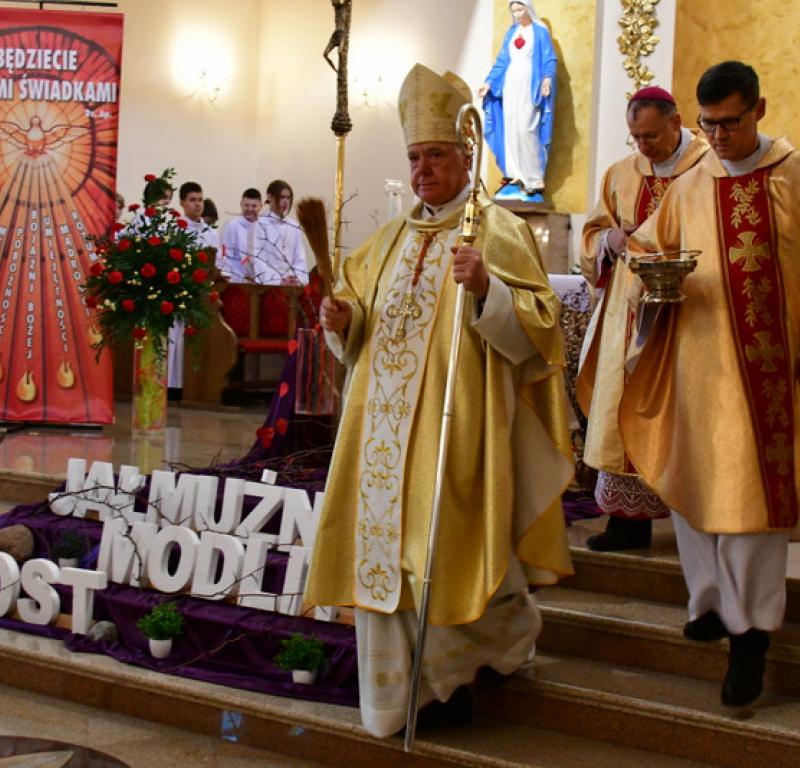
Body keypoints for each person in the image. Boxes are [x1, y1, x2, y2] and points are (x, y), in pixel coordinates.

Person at [305, 63, 573, 738]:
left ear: (464, 160)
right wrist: (342, 325)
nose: (423, 170)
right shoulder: (386, 243)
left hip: (459, 435)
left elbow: (543, 330)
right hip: (379, 440)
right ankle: (397, 696)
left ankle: (468, 668)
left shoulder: (499, 232)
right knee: (386, 556)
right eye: (414, 157)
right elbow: (360, 327)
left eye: (436, 156)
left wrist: (489, 289)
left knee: (448, 548)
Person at [621, 61, 800, 707]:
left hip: (770, 376)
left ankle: (751, 639)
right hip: (695, 366)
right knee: (689, 487)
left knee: (751, 510)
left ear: (760, 110)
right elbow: (649, 251)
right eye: (707, 125)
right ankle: (708, 601)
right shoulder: (691, 184)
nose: (717, 138)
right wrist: (650, 283)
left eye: (730, 123)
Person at [576, 86, 709, 552]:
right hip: (629, 311)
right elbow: (592, 234)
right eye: (635, 137)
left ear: (676, 124)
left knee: (686, 410)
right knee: (622, 403)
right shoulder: (620, 174)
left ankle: (701, 522)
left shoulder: (708, 170)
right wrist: (611, 238)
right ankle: (626, 524)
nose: (643, 147)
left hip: (690, 308)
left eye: (651, 136)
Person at [477, 1, 556, 200]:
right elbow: (502, 61)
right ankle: (513, 176)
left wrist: (547, 79)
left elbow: (548, 59)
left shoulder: (539, 32)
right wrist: (489, 83)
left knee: (527, 129)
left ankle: (534, 178)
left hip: (530, 83)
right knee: (511, 129)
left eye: (520, 9)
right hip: (511, 84)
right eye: (514, 11)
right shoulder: (511, 33)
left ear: (528, 9)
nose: (517, 14)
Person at [168, 181, 219, 397]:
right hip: (179, 292)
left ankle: (197, 386)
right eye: (192, 200)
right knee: (176, 336)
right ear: (182, 203)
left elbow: (218, 262)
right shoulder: (174, 229)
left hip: (203, 294)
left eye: (200, 200)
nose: (197, 205)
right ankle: (173, 386)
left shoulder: (211, 233)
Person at [256, 179, 308, 285]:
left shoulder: (294, 226)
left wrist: (296, 278)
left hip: (291, 285)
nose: (285, 202)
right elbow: (257, 260)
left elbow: (299, 259)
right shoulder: (259, 224)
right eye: (282, 197)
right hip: (269, 285)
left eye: (288, 198)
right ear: (270, 197)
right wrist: (279, 280)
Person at [219, 188, 263, 282]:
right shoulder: (232, 226)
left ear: (261, 207)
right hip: (238, 280)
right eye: (246, 205)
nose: (250, 209)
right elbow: (225, 257)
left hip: (260, 280)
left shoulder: (264, 228)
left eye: (254, 206)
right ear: (241, 204)